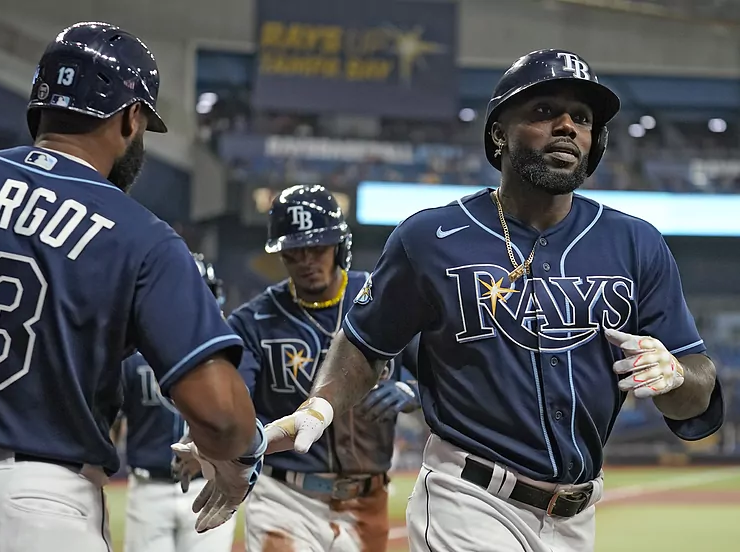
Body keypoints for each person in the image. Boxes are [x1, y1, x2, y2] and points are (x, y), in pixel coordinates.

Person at [262, 50, 724, 552]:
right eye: (545, 111)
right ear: (500, 133)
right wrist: (320, 406)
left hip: (576, 514)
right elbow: (365, 341)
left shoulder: (637, 244)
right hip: (470, 496)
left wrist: (676, 374)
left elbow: (696, 391)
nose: (567, 127)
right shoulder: (430, 237)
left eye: (583, 119)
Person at [0, 21, 263, 552]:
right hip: (41, 501)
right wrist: (244, 454)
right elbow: (218, 414)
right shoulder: (141, 234)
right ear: (130, 118)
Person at [227, 184, 420, 552]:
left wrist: (415, 391)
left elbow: (440, 368)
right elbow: (236, 401)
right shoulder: (253, 321)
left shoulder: (379, 299)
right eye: (293, 252)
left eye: (317, 248)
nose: (306, 261)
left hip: (369, 498)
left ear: (339, 246)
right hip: (284, 495)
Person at [116, 252, 237, 552]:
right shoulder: (133, 356)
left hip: (209, 485)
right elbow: (112, 420)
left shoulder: (230, 355)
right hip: (148, 489)